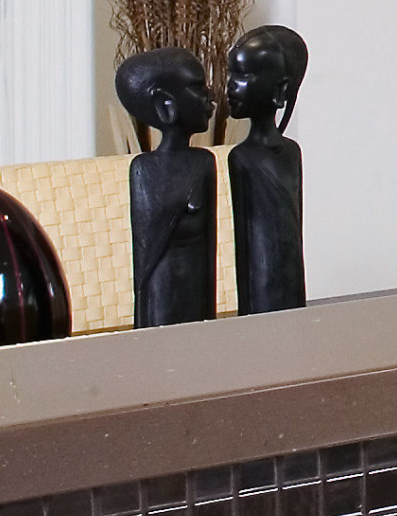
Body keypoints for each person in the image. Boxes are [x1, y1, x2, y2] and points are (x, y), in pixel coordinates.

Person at [115, 47, 218, 326]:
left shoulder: (204, 162)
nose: (211, 97)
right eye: (198, 88)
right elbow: (145, 258)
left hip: (197, 303)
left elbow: (210, 253)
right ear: (166, 105)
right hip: (160, 301)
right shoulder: (144, 169)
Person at [224, 24, 310, 313]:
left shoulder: (290, 152)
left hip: (290, 286)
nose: (230, 85)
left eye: (243, 75)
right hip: (257, 294)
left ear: (281, 89)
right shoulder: (240, 158)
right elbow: (243, 241)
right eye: (231, 74)